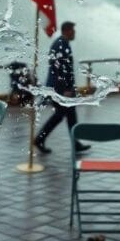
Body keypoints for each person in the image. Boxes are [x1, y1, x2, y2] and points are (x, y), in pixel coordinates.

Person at [34, 21, 90, 154]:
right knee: (60, 115)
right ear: (67, 31)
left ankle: (74, 143)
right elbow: (59, 69)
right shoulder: (60, 45)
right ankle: (39, 139)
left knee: (70, 115)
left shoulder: (62, 43)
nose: (74, 33)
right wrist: (66, 89)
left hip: (60, 87)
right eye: (73, 31)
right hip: (61, 89)